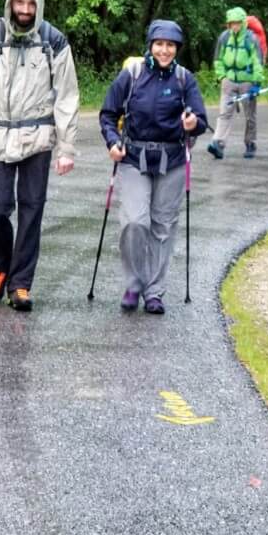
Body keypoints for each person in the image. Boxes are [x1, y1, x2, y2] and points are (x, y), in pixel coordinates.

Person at [0, 0, 79, 312]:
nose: (24, 10)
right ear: (10, 3)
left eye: (30, 4)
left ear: (38, 7)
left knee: (31, 211)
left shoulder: (54, 42)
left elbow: (67, 97)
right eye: (19, 3)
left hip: (37, 140)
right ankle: (1, 265)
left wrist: (66, 148)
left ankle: (21, 284)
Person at [99, 20, 209, 314]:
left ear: (177, 49)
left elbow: (201, 120)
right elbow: (108, 114)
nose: (164, 50)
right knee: (135, 221)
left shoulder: (185, 79)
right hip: (134, 158)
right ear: (149, 45)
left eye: (170, 45)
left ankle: (154, 292)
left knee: (162, 226)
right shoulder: (132, 75)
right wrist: (112, 142)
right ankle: (134, 284)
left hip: (172, 160)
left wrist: (193, 123)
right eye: (159, 44)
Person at [207, 5, 264, 160]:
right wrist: (221, 77)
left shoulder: (251, 39)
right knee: (224, 113)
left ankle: (250, 143)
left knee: (249, 115)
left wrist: (257, 83)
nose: (235, 26)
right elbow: (218, 59)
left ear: (243, 23)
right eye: (232, 23)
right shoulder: (224, 37)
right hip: (229, 81)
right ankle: (218, 143)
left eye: (237, 23)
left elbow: (258, 62)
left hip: (247, 81)